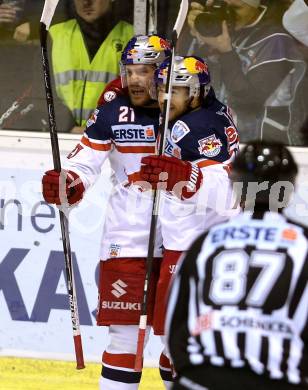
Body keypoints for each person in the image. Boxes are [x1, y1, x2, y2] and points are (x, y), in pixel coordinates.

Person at [41, 34, 172, 390]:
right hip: (128, 238)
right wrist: (69, 182)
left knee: (182, 341)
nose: (134, 79)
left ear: (163, 71)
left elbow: (219, 167)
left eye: (144, 71)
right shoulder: (114, 104)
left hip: (184, 238)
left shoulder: (193, 103)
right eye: (129, 70)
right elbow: (86, 161)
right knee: (126, 342)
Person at [166, 140, 308, 390]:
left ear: (237, 185)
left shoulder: (207, 241)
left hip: (200, 380)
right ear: (289, 188)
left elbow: (175, 326)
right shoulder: (303, 243)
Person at [139, 55, 240, 378]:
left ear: (196, 93)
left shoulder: (197, 126)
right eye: (163, 89)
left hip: (194, 246)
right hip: (190, 241)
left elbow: (229, 192)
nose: (166, 97)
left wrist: (190, 179)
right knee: (177, 346)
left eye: (177, 90)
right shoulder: (208, 112)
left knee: (181, 344)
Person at [187, 0, 307, 145]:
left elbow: (247, 102)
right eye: (222, 7)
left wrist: (225, 51)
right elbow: (194, 87)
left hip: (264, 145)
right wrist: (199, 35)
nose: (227, 14)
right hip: (219, 142)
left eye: (236, 8)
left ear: (254, 7)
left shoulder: (276, 40)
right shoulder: (221, 31)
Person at [49, 0, 134, 133]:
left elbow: (141, 99)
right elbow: (40, 94)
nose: (86, 3)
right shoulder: (54, 35)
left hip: (113, 141)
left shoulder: (134, 38)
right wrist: (64, 126)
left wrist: (99, 127)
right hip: (62, 138)